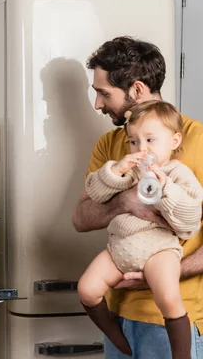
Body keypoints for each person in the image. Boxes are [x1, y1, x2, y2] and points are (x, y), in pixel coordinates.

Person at [72, 36, 203, 358]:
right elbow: (81, 218)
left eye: (104, 93)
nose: (98, 104)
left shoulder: (199, 140)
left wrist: (162, 274)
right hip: (118, 308)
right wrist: (124, 200)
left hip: (172, 317)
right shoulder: (110, 144)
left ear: (138, 89)